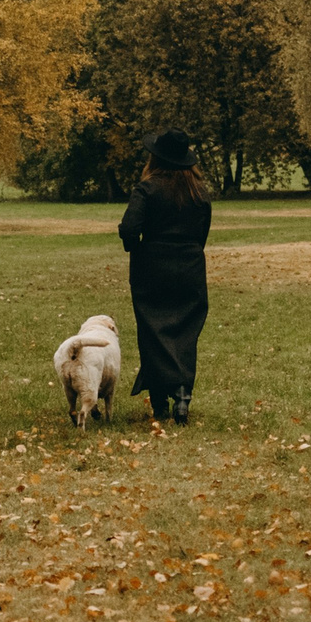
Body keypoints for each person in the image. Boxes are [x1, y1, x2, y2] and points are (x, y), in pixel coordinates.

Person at [117, 128, 212, 423]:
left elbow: (130, 229)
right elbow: (201, 234)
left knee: (153, 331)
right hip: (190, 267)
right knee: (185, 330)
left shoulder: (146, 189)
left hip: (152, 268)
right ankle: (182, 394)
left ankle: (159, 400)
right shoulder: (199, 193)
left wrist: (135, 247)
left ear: (155, 158)